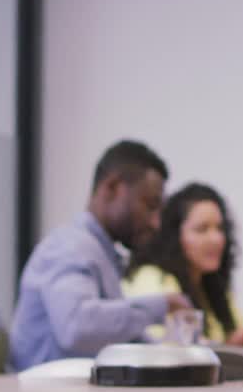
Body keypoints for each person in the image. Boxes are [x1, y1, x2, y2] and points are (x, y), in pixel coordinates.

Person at [10, 140, 192, 369]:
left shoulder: (100, 253)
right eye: (150, 205)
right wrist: (161, 306)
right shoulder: (71, 246)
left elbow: (118, 340)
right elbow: (76, 329)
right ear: (113, 187)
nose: (155, 223)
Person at [124, 183, 243, 350]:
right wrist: (229, 349)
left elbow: (240, 334)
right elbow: (164, 352)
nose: (216, 239)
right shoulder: (152, 278)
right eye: (202, 229)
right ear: (174, 237)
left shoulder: (211, 285)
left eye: (219, 228)